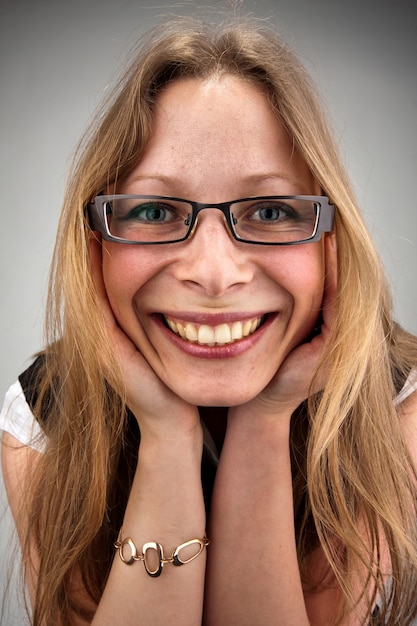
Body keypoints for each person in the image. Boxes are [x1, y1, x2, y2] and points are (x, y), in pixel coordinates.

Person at [1, 13, 417, 626]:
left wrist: (266, 423)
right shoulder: (41, 419)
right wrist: (167, 437)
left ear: (333, 239)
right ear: (92, 246)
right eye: (155, 210)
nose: (216, 274)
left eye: (272, 210)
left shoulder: (400, 404)